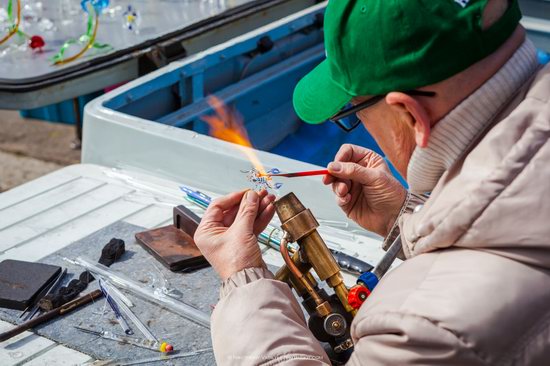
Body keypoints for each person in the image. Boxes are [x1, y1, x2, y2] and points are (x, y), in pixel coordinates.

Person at [194, 0, 550, 364]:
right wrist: (404, 218)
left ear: (410, 113)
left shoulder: (424, 331)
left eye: (354, 113)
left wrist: (243, 280)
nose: (363, 127)